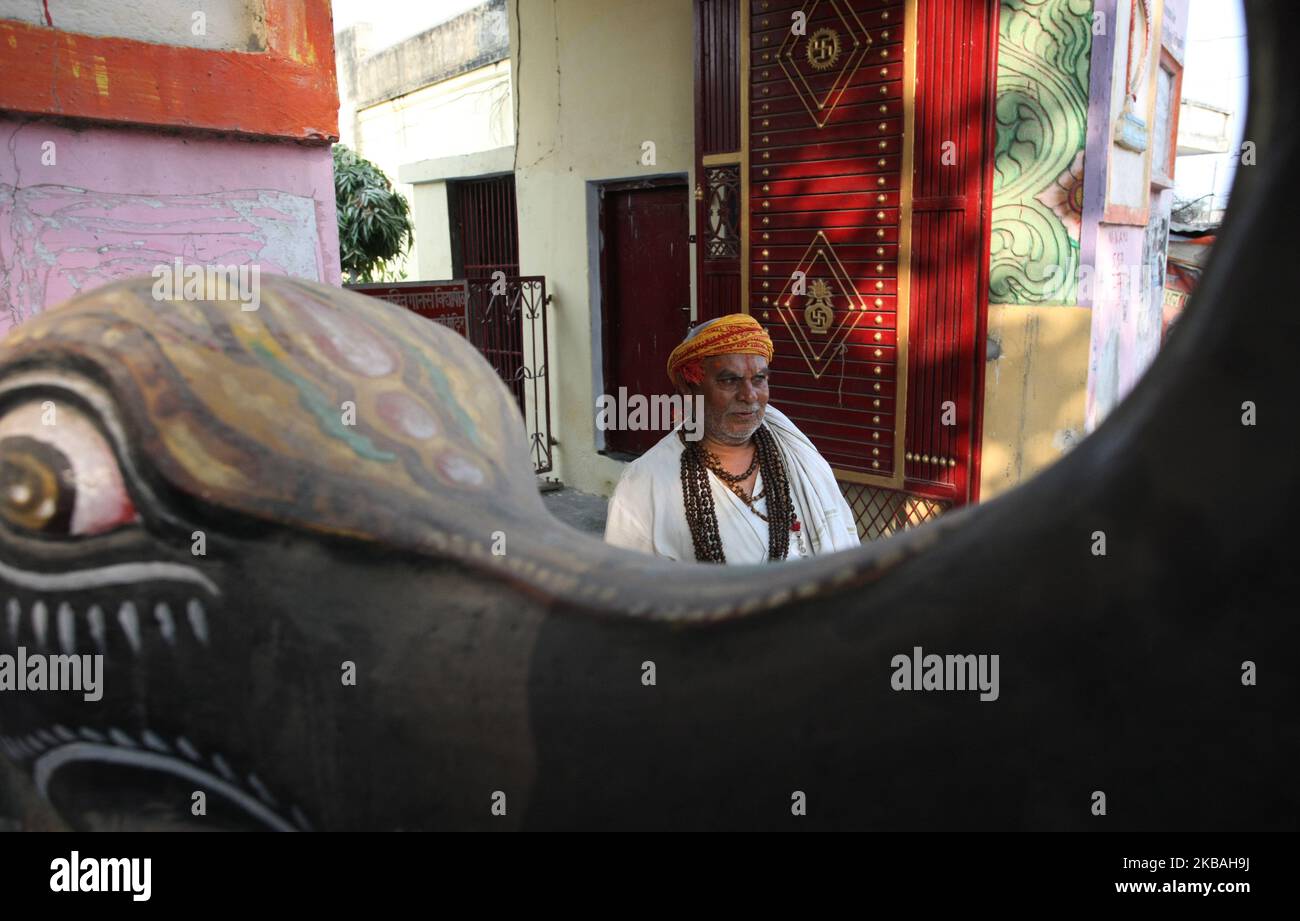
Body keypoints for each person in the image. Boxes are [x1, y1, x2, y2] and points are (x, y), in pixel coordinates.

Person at [603, 314, 861, 564]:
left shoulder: (793, 451)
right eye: (729, 380)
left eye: (759, 379)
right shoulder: (644, 483)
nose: (749, 396)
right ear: (687, 387)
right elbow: (629, 591)